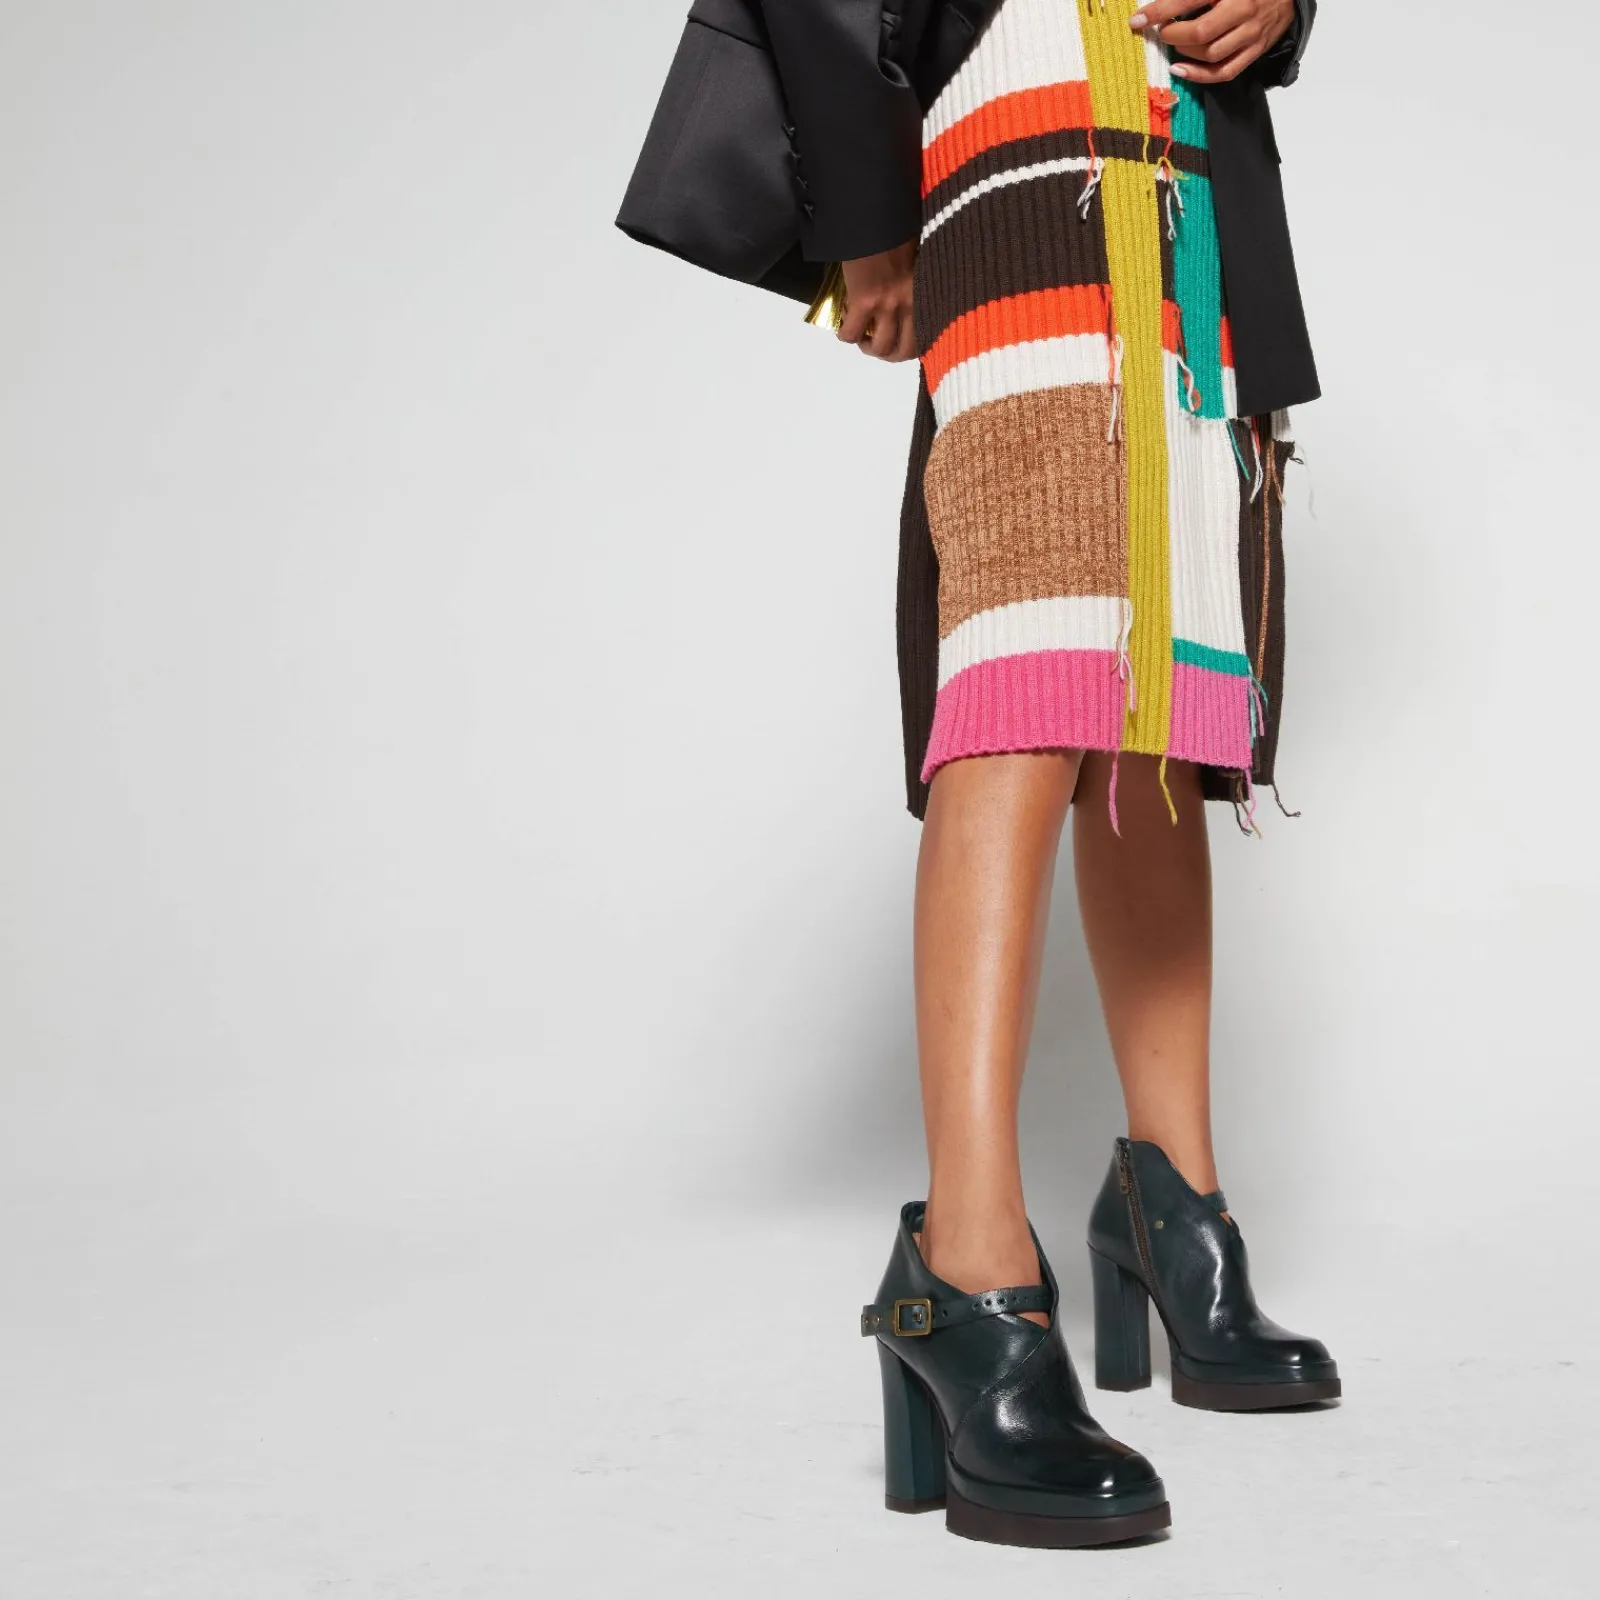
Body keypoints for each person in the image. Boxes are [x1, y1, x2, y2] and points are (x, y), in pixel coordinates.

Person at [767, 0, 1337, 1550]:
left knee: (1160, 704)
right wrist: (864, 218)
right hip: (1018, 132)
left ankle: (1174, 1205)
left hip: (1189, 170)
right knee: (1023, 674)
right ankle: (965, 1266)